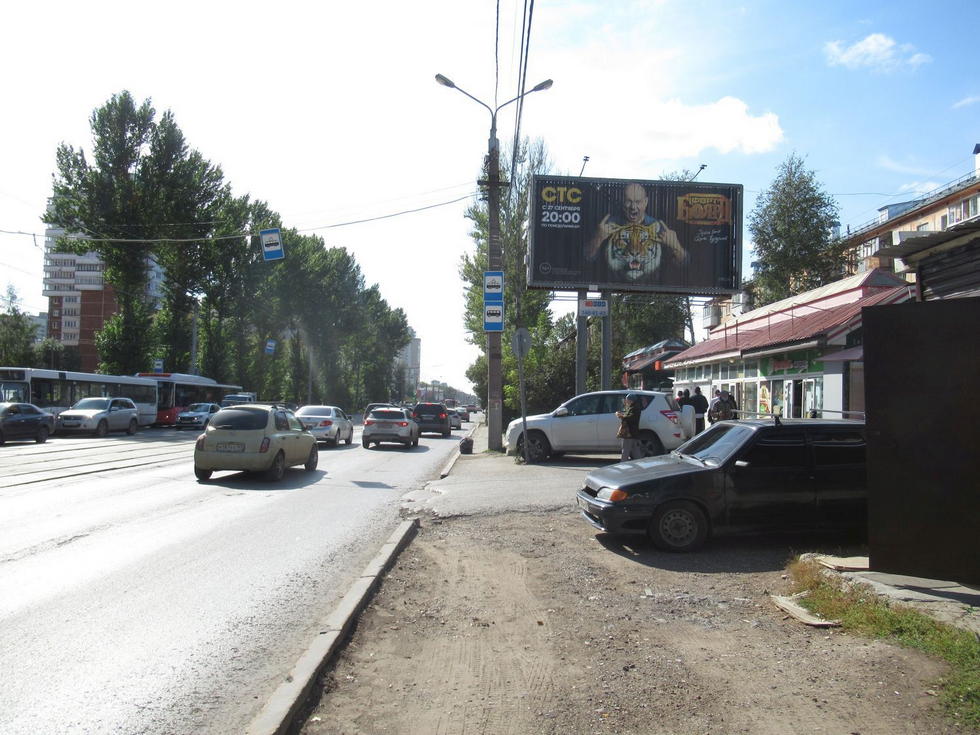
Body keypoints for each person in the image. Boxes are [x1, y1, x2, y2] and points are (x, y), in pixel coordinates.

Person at [586, 182, 687, 282]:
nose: (633, 207)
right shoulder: (608, 225)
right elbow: (587, 261)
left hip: (652, 284)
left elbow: (684, 264)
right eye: (628, 201)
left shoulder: (657, 227)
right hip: (613, 282)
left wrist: (676, 245)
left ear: (646, 202)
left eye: (638, 202)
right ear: (622, 201)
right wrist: (598, 238)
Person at [615, 393, 642, 461]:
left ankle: (623, 464)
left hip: (629, 432)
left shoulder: (633, 408)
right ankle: (640, 463)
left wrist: (620, 416)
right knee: (635, 449)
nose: (626, 401)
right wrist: (622, 415)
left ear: (631, 400)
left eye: (627, 400)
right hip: (633, 432)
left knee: (626, 450)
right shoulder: (633, 407)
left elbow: (630, 418)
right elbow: (629, 416)